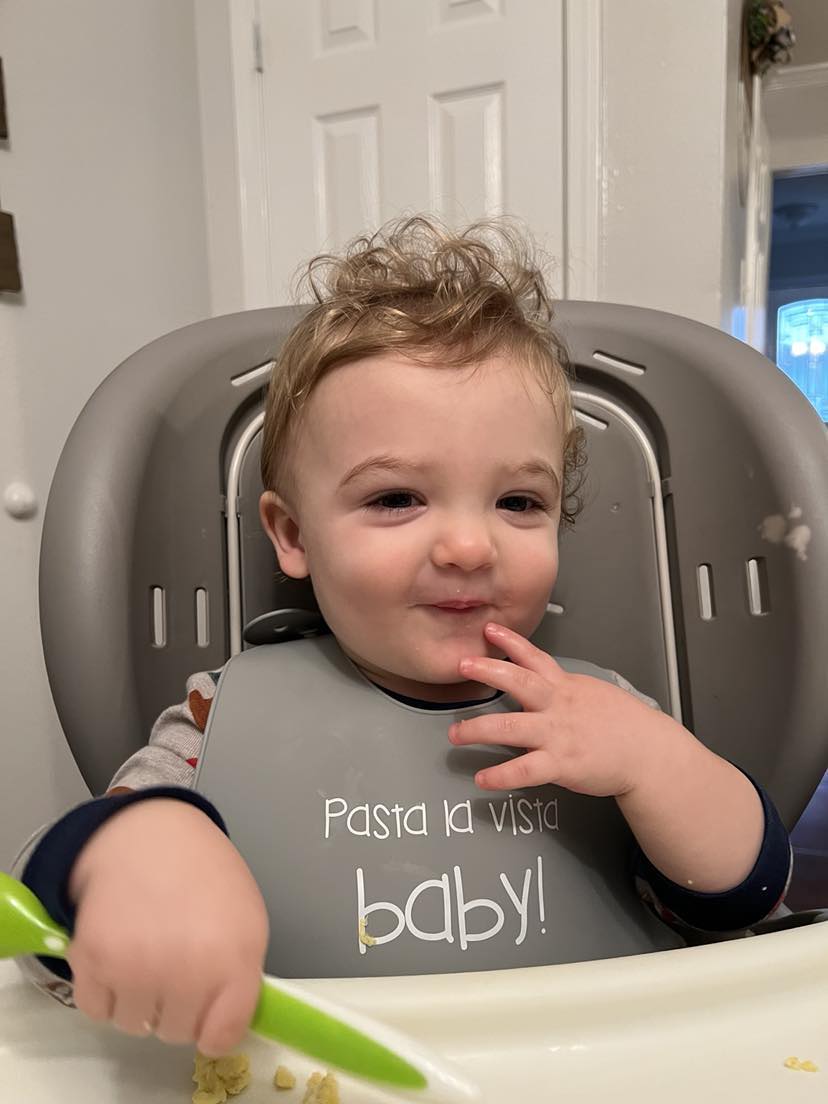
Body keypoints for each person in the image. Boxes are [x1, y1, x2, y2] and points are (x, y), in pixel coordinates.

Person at [15, 216, 791, 1059]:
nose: (468, 546)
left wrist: (654, 764)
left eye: (519, 502)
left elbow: (743, 902)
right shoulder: (220, 724)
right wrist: (134, 850)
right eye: (395, 499)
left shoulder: (601, 715)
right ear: (294, 536)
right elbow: (46, 939)